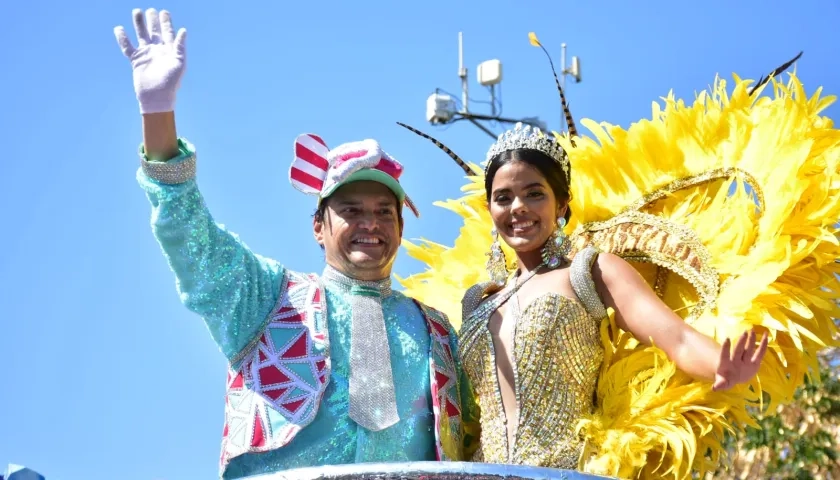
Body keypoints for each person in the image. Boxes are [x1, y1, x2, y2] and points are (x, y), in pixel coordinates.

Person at [395, 33, 840, 479]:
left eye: (535, 194)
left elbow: (677, 337)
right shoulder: (477, 301)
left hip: (567, 473)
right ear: (489, 209)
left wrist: (721, 366)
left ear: (561, 205)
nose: (519, 209)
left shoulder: (590, 271)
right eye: (504, 197)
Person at [112, 8, 477, 480]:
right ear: (318, 228)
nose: (371, 223)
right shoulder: (267, 300)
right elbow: (190, 235)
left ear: (401, 231)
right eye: (351, 210)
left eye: (384, 212)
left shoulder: (437, 333)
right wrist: (158, 114)